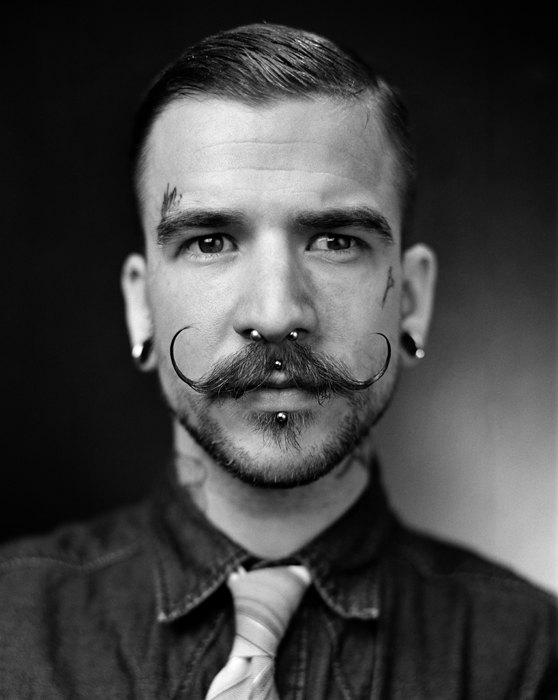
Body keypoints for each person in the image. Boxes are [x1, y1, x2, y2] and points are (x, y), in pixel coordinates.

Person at [0, 22, 556, 699]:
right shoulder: (10, 630)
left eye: (335, 240)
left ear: (411, 300)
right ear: (141, 306)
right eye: (210, 241)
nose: (274, 313)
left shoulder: (531, 660)